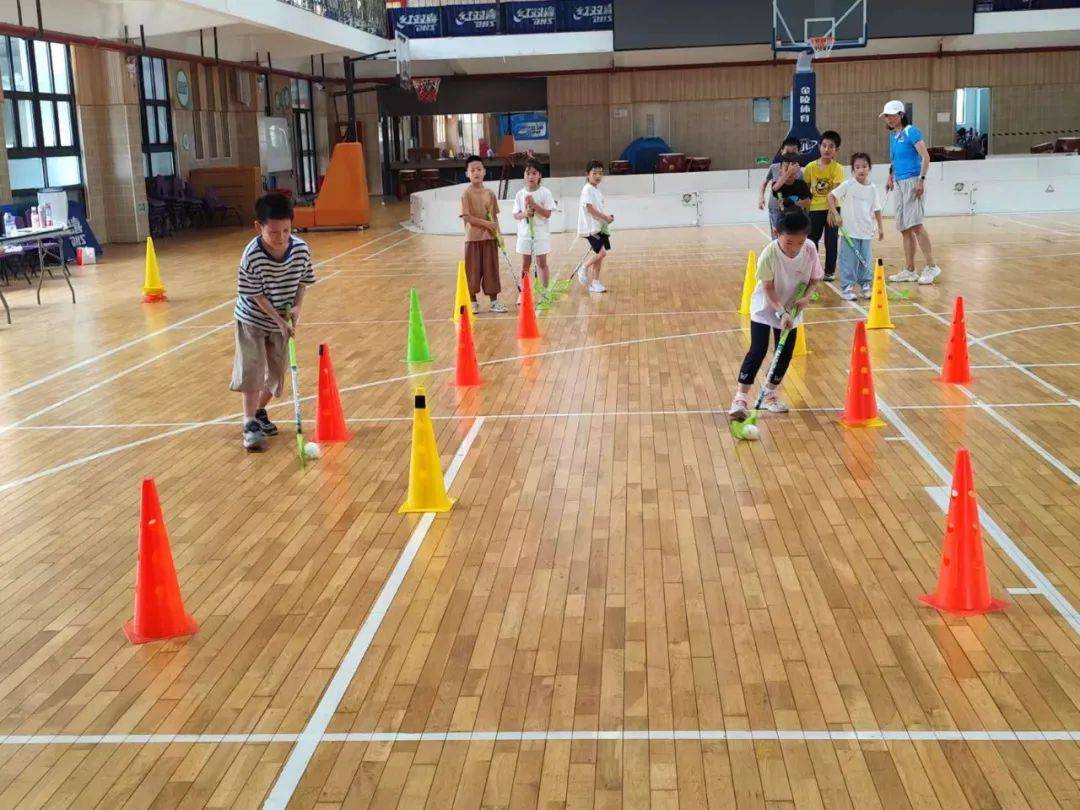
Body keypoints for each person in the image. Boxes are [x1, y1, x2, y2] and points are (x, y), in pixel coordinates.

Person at [230, 193, 315, 452]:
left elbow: (303, 281)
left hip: (282, 317)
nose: (281, 238)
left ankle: (258, 411)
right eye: (274, 232)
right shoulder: (251, 256)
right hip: (252, 319)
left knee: (277, 375)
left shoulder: (300, 250)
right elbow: (255, 295)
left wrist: (297, 308)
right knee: (252, 368)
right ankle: (249, 424)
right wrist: (278, 320)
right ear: (259, 227)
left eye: (286, 231)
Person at [729, 209, 823, 418]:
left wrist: (807, 297)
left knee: (786, 353)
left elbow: (815, 278)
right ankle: (741, 397)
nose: (794, 248)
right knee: (758, 350)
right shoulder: (769, 254)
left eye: (799, 242)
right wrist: (781, 313)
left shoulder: (810, 249)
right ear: (777, 232)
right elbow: (768, 289)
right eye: (788, 242)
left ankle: (769, 393)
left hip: (793, 306)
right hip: (766, 306)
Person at [881, 100, 941, 284]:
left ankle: (932, 266)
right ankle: (910, 270)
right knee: (904, 228)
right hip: (898, 182)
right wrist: (890, 176)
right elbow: (894, 160)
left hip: (913, 181)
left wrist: (921, 180)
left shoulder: (911, 131)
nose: (889, 119)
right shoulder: (893, 136)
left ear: (901, 115)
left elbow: (925, 157)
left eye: (891, 115)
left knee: (916, 225)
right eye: (886, 116)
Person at [827, 152, 884, 301]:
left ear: (869, 168)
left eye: (864, 166)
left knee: (866, 260)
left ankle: (865, 286)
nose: (861, 170)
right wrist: (835, 214)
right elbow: (831, 196)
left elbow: (877, 209)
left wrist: (881, 227)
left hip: (866, 231)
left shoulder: (872, 188)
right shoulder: (848, 185)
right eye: (857, 167)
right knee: (848, 260)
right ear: (853, 170)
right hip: (848, 232)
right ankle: (847, 287)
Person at [459, 155, 506, 313]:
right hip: (472, 239)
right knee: (472, 270)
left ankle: (494, 302)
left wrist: (498, 236)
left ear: (484, 172)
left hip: (490, 238)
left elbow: (494, 217)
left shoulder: (490, 194)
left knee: (491, 270)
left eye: (479, 169)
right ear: (467, 173)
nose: (476, 172)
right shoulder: (466, 194)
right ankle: (472, 302)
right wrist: (487, 224)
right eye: (473, 170)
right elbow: (467, 218)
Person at [802, 130, 844, 281]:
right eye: (824, 145)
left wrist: (831, 211)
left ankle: (829, 271)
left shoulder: (838, 168)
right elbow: (805, 187)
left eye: (831, 146)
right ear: (819, 147)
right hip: (814, 209)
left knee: (831, 241)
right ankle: (813, 270)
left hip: (832, 209)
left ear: (836, 150)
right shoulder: (810, 168)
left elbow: (835, 191)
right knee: (812, 241)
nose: (827, 149)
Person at [512, 158, 555, 303]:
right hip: (524, 235)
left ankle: (544, 292)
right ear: (524, 175)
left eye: (534, 173)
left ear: (539, 176)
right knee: (525, 264)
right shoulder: (519, 194)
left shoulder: (545, 193)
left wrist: (533, 205)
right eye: (528, 173)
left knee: (542, 263)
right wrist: (525, 214)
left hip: (540, 235)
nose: (531, 176)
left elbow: (548, 214)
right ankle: (523, 292)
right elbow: (516, 214)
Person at [576, 160, 614, 294]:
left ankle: (595, 282)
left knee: (600, 255)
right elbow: (590, 209)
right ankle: (583, 267)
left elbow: (597, 209)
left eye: (600, 173)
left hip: (599, 227)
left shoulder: (596, 190)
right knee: (601, 253)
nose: (598, 176)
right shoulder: (587, 189)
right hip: (590, 228)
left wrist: (606, 218)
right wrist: (605, 218)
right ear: (587, 174)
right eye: (594, 173)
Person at [758, 136, 803, 232]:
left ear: (799, 152)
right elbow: (764, 182)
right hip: (775, 207)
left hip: (791, 208)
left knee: (789, 235)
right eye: (787, 152)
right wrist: (761, 197)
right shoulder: (774, 167)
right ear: (782, 151)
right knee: (777, 235)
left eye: (794, 152)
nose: (790, 155)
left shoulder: (799, 172)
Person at [767, 153, 811, 235]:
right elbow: (775, 188)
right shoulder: (778, 184)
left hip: (798, 219)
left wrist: (796, 202)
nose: (790, 172)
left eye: (792, 169)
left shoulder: (801, 184)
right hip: (783, 220)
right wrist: (788, 172)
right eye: (786, 168)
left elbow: (808, 201)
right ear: (780, 170)